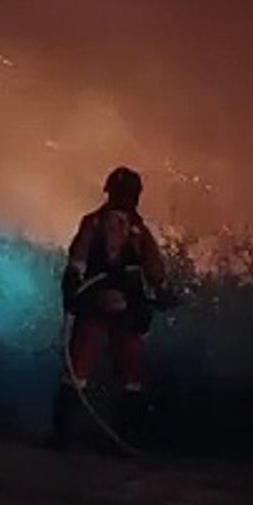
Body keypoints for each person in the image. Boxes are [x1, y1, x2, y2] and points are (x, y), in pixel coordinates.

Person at [50, 166, 174, 450]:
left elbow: (153, 266)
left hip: (127, 308)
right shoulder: (94, 224)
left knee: (130, 372)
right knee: (79, 367)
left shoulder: (138, 231)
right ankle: (63, 435)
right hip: (96, 305)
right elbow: (77, 262)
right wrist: (74, 289)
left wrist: (159, 293)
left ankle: (125, 436)